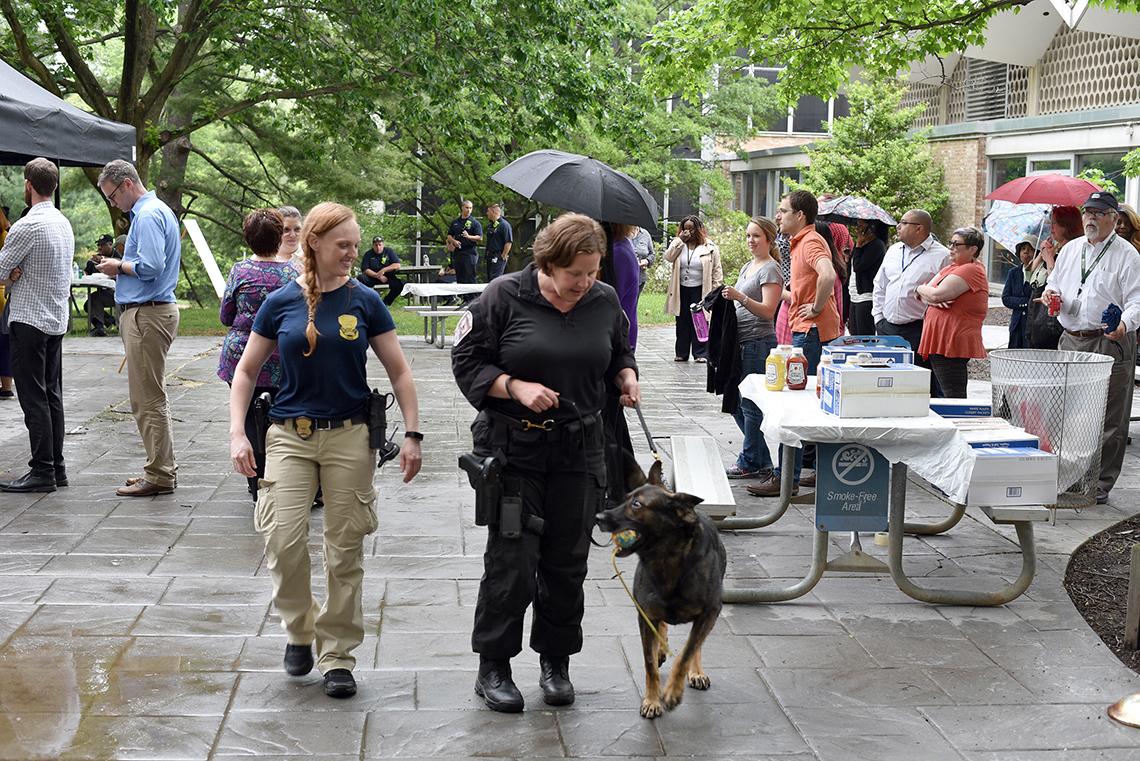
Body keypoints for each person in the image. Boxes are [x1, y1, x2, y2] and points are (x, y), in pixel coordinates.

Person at [229, 201, 422, 699]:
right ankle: (299, 629)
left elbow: (399, 371)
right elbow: (247, 371)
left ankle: (337, 654)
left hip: (349, 436)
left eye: (356, 245)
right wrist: (235, 434)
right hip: (288, 436)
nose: (353, 254)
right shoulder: (280, 302)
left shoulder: (365, 301)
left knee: (345, 549)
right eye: (344, 246)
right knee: (283, 539)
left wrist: (415, 435)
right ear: (313, 242)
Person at [451, 212, 639, 714]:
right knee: (512, 560)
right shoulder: (502, 297)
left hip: (580, 451)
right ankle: (493, 664)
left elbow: (619, 351)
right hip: (515, 451)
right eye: (575, 272)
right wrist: (514, 386)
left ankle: (556, 661)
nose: (584, 282)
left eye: (593, 271)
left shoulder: (603, 300)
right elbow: (466, 362)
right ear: (548, 263)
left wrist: (626, 377)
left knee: (567, 560)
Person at [1043, 191, 1140, 505]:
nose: (1091, 218)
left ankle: (1099, 484)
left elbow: (1137, 301)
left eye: (1099, 213)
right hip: (1071, 337)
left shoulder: (1127, 255)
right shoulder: (1071, 249)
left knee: (1108, 418)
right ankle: (1070, 477)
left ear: (1114, 217)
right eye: (1087, 212)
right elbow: (1056, 283)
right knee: (1067, 412)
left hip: (1108, 340)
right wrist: (1053, 296)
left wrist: (1123, 325)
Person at [96, 159, 182, 497]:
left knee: (148, 399)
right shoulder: (156, 210)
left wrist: (117, 266)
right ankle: (159, 466)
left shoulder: (146, 215)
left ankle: (160, 474)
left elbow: (151, 266)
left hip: (148, 314)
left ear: (128, 183)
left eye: (113, 195)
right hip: (150, 312)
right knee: (149, 396)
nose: (113, 202)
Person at [0, 158, 74, 493]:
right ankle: (56, 467)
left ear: (28, 185)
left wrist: (14, 274)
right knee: (51, 394)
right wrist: (15, 272)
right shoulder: (62, 222)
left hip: (29, 319)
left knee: (33, 397)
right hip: (55, 319)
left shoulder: (26, 226)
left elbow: (1, 271)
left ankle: (41, 470)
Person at [218, 209, 300, 497]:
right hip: (284, 357)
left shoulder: (240, 272)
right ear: (279, 237)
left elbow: (226, 315)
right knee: (283, 421)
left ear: (248, 238)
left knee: (251, 424)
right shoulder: (294, 274)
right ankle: (288, 480)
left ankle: (257, 484)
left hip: (243, 355)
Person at [721, 217, 782, 479]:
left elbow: (768, 312)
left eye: (756, 236)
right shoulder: (749, 265)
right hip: (741, 341)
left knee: (748, 404)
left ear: (769, 239)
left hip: (758, 342)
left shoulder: (771, 269)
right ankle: (759, 458)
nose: (751, 240)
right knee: (736, 401)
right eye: (748, 235)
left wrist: (740, 297)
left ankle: (750, 459)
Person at [871, 208, 949, 393]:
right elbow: (880, 285)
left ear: (919, 228)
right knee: (887, 380)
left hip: (919, 330)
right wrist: (878, 318)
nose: (898, 226)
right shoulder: (893, 250)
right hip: (887, 327)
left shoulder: (942, 256)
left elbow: (946, 296)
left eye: (904, 223)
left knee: (916, 385)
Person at [915, 227, 989, 398]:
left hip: (951, 341)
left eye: (957, 244)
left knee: (953, 394)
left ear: (973, 249)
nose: (951, 247)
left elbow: (935, 294)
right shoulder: (952, 268)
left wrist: (923, 290)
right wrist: (922, 291)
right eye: (951, 243)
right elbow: (924, 296)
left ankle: (958, 423)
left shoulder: (971, 269)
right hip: (942, 339)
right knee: (946, 390)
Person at [665, 215, 723, 362]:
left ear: (698, 229)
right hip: (682, 288)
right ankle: (681, 353)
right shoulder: (679, 245)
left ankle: (701, 353)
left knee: (701, 320)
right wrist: (680, 240)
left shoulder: (709, 247)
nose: (688, 232)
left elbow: (717, 271)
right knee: (682, 320)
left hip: (701, 289)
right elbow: (668, 257)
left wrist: (715, 292)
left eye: (691, 229)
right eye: (685, 229)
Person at [848, 219, 888, 336]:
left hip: (866, 297)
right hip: (854, 295)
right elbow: (852, 267)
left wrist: (858, 246)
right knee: (854, 335)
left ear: (871, 227)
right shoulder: (863, 244)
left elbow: (858, 266)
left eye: (861, 225)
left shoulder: (877, 245)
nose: (858, 228)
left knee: (864, 336)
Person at [1001, 235, 1040, 349]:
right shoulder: (1014, 272)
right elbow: (1006, 298)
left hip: (1033, 326)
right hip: (1016, 325)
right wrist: (1027, 303)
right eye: (1023, 249)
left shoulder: (1041, 274)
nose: (1026, 252)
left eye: (1030, 249)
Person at [84, 234, 119, 336]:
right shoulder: (96, 259)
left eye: (102, 245)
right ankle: (109, 321)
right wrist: (91, 264)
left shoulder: (118, 256)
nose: (99, 247)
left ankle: (99, 327)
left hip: (118, 292)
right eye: (98, 245)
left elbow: (120, 265)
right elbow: (86, 274)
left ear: (110, 244)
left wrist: (103, 260)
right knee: (88, 304)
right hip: (103, 292)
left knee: (94, 298)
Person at [357, 236, 404, 306]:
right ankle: (366, 302)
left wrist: (384, 270)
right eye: (376, 245)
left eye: (380, 245)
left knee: (399, 284)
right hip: (373, 277)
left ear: (383, 245)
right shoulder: (368, 254)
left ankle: (385, 302)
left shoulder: (389, 251)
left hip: (388, 277)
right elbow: (365, 269)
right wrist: (377, 275)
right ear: (373, 245)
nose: (378, 247)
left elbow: (397, 265)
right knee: (360, 278)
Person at [446, 200, 483, 287]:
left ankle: (472, 299)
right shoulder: (455, 222)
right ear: (462, 207)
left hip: (469, 252)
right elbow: (449, 235)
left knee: (469, 277)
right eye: (467, 207)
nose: (469, 210)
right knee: (460, 277)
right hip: (458, 252)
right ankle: (464, 299)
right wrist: (453, 241)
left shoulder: (475, 223)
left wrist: (469, 236)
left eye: (470, 208)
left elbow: (480, 238)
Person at [484, 203, 513, 281]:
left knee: (495, 279)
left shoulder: (504, 225)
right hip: (490, 255)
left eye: (488, 211)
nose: (487, 213)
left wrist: (503, 255)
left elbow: (508, 242)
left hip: (498, 255)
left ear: (494, 212)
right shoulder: (491, 225)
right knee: (489, 279)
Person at [631, 226, 655, 294]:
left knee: (634, 303)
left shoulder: (645, 234)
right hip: (623, 277)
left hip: (640, 277)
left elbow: (652, 254)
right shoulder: (622, 233)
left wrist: (647, 261)